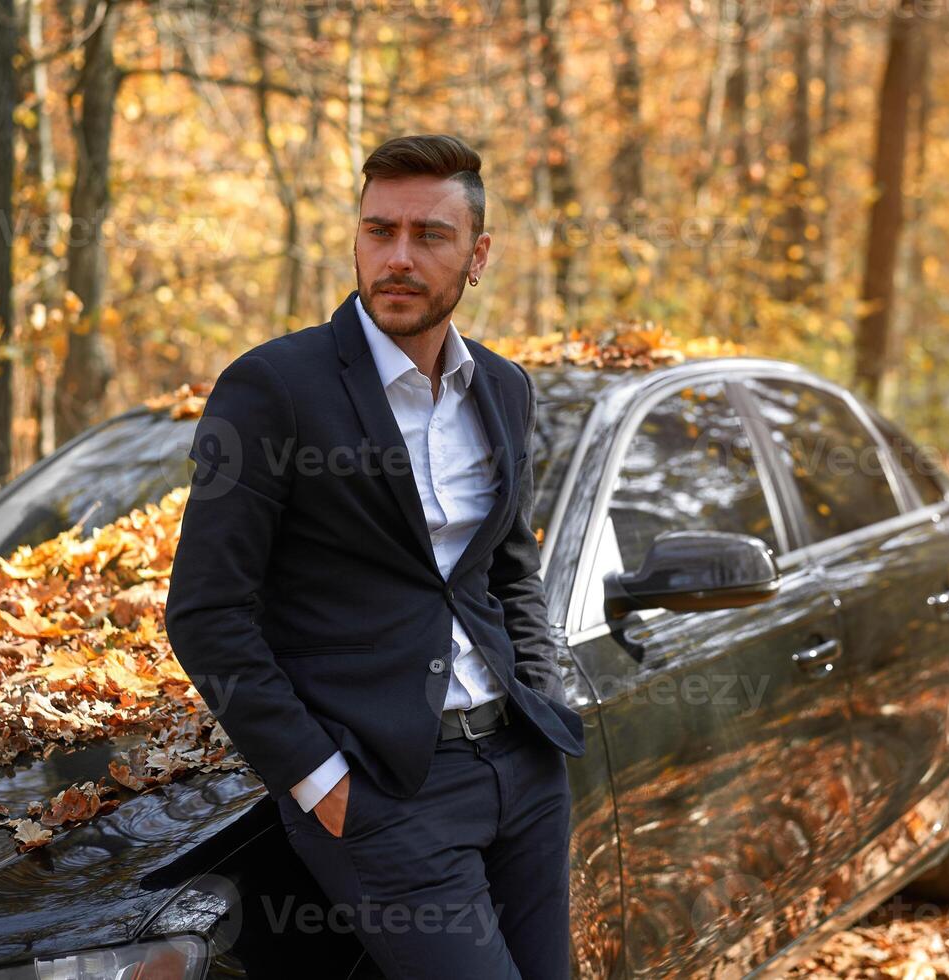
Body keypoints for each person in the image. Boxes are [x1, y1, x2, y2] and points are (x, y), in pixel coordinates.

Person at [165, 133, 586, 979]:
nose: (398, 257)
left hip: (523, 769)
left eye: (429, 235)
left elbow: (508, 565)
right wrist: (319, 783)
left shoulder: (503, 388)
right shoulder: (274, 388)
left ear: (478, 254)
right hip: (387, 794)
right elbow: (206, 614)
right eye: (377, 231)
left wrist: (539, 686)